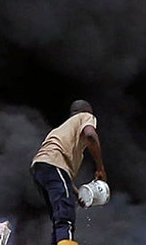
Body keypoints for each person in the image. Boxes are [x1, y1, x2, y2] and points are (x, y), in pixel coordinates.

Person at [31, 100, 108, 245]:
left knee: (58, 216)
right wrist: (100, 168)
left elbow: (59, 175)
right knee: (66, 215)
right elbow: (91, 135)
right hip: (53, 165)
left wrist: (76, 192)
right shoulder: (85, 117)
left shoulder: (59, 131)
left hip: (39, 169)